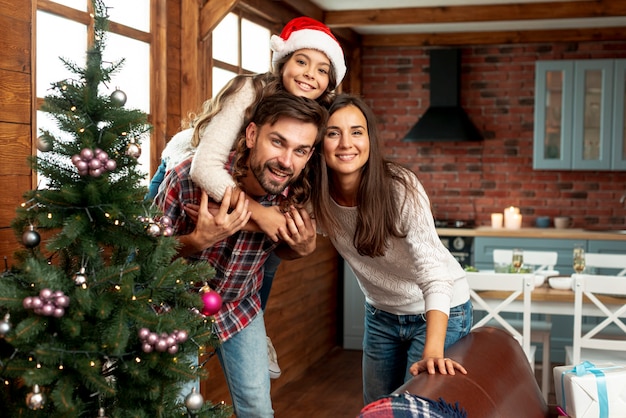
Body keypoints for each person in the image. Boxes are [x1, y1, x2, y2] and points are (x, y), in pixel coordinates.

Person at [146, 16, 346, 378]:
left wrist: (276, 227)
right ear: (282, 61)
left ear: (330, 83)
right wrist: (265, 218)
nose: (308, 75)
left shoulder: (317, 118)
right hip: (186, 163)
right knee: (143, 248)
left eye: (321, 70)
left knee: (267, 258)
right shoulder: (252, 91)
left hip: (239, 182)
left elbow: (311, 197)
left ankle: (258, 324)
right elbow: (204, 169)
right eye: (301, 61)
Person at [154, 91, 327, 417]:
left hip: (240, 305)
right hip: (173, 305)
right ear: (251, 135)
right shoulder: (187, 178)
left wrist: (301, 249)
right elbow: (147, 258)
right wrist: (195, 241)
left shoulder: (297, 196)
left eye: (300, 150)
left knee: (259, 410)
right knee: (178, 410)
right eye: (278, 142)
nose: (286, 161)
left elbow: (281, 252)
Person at [310, 94, 473, 405]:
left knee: (415, 408)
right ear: (320, 143)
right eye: (333, 132)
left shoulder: (400, 188)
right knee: (376, 407)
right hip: (381, 314)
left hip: (440, 311)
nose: (346, 143)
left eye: (357, 131)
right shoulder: (316, 196)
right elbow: (279, 221)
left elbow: (435, 274)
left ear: (370, 139)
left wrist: (433, 351)